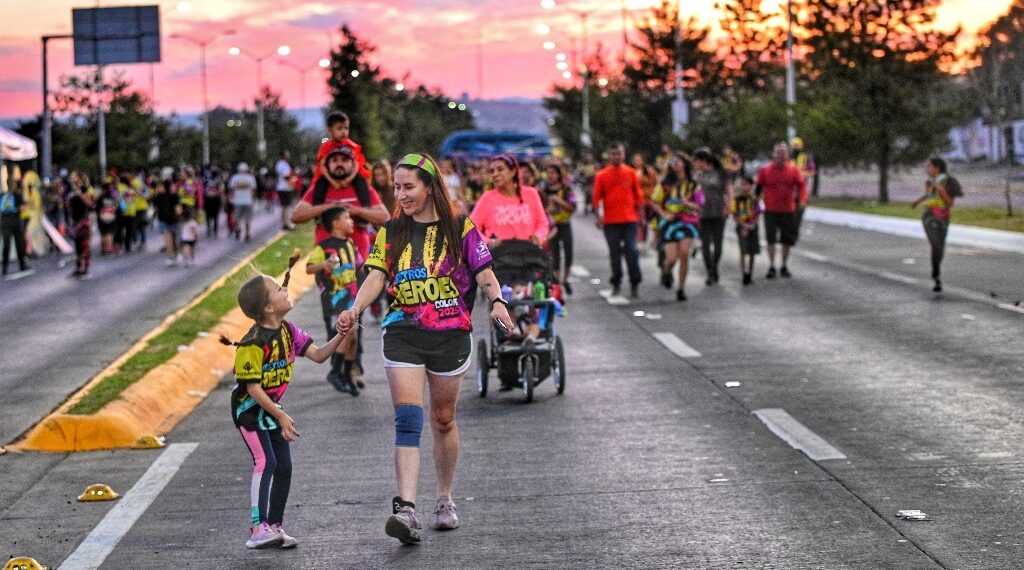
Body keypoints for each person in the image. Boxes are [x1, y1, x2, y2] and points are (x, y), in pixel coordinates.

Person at [337, 153, 514, 545]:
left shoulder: (459, 228)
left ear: (430, 187)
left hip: (451, 336)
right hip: (403, 333)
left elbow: (484, 272)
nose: (400, 195)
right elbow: (376, 276)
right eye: (397, 187)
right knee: (408, 419)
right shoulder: (392, 231)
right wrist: (355, 308)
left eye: (408, 187)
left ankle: (445, 498)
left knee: (443, 419)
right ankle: (406, 509)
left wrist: (497, 301)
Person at [225, 270, 348, 549]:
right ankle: (258, 529)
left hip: (271, 408)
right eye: (278, 289)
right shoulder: (252, 343)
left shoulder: (288, 331)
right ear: (268, 307)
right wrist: (280, 414)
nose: (285, 290)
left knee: (285, 467)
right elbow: (253, 388)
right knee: (265, 461)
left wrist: (341, 335)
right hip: (248, 408)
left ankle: (275, 526)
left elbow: (318, 355)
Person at [306, 206, 362, 395]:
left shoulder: (351, 245)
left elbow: (361, 265)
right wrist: (324, 265)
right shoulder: (324, 247)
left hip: (351, 299)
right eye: (347, 218)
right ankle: (335, 371)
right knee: (347, 333)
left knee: (353, 338)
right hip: (334, 298)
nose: (352, 221)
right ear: (336, 223)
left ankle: (346, 375)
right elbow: (309, 268)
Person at [593, 142, 645, 298]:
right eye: (613, 154)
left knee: (631, 250)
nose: (616, 156)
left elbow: (639, 196)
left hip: (629, 219)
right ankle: (616, 282)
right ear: (609, 156)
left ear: (623, 154)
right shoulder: (602, 175)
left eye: (619, 153)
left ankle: (635, 282)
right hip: (611, 221)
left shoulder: (631, 173)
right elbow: (597, 198)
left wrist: (641, 216)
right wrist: (598, 216)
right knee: (614, 253)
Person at [651, 154, 704, 301]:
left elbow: (699, 206)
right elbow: (654, 202)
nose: (674, 164)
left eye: (677, 161)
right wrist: (664, 214)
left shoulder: (694, 185)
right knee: (672, 258)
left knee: (684, 254)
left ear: (684, 164)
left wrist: (687, 204)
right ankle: (666, 270)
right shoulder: (665, 184)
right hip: (670, 223)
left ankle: (680, 288)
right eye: (672, 162)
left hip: (688, 222)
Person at [469, 154, 549, 249]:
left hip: (529, 254)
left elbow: (543, 223)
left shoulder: (531, 194)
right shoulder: (487, 197)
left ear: (513, 171)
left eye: (500, 169)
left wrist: (538, 237)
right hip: (500, 257)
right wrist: (488, 241)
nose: (495, 174)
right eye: (492, 171)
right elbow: (470, 228)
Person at [755, 142, 806, 279]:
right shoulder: (765, 170)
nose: (780, 156)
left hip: (788, 210)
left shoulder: (793, 170)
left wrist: (802, 200)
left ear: (787, 155)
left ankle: (784, 265)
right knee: (770, 239)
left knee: (786, 240)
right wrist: (755, 205)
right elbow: (758, 188)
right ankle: (771, 266)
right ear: (773, 154)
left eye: (783, 153)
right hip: (770, 210)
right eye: (778, 153)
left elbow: (802, 186)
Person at [912, 157, 956, 293]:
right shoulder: (929, 182)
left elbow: (949, 202)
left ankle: (936, 271)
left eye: (929, 166)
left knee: (940, 247)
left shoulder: (948, 182)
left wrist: (941, 191)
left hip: (943, 216)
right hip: (929, 216)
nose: (927, 169)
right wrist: (917, 201)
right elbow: (928, 195)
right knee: (935, 244)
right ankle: (936, 274)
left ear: (937, 168)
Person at [693, 148, 734, 285]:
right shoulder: (697, 175)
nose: (695, 164)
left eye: (696, 161)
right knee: (705, 244)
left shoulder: (721, 173)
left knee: (718, 244)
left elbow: (729, 191)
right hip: (702, 212)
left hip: (718, 210)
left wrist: (728, 207)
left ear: (703, 161)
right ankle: (710, 272)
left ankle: (715, 265)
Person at [540, 162, 576, 294]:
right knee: (554, 255)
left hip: (565, 224)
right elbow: (540, 208)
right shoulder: (543, 189)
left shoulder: (566, 189)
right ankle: (557, 284)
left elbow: (572, 207)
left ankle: (565, 280)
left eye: (553, 173)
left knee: (569, 254)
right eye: (548, 173)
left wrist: (558, 200)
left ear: (559, 174)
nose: (550, 176)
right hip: (550, 226)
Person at [731, 175, 762, 285]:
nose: (745, 187)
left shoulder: (754, 200)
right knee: (743, 250)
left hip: (753, 226)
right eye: (743, 184)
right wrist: (744, 226)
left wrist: (752, 225)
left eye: (748, 184)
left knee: (752, 251)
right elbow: (734, 216)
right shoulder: (737, 199)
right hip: (741, 226)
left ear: (752, 186)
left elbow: (758, 214)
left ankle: (750, 273)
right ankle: (744, 273)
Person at [66, 172, 94, 278]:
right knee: (78, 246)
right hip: (75, 221)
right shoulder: (72, 191)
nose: (72, 179)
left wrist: (81, 194)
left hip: (84, 221)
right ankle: (78, 267)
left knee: (85, 245)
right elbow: (69, 205)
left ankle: (85, 268)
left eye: (74, 177)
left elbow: (90, 204)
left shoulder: (86, 190)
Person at [1, 183, 31, 278]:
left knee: (15, 244)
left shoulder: (10, 195)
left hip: (10, 221)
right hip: (10, 221)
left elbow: (23, 207)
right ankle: (12, 267)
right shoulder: (9, 195)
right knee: (13, 244)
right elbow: (23, 207)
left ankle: (14, 266)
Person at [790, 137, 815, 241]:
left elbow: (812, 171)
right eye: (794, 145)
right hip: (789, 190)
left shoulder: (806, 158)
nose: (796, 147)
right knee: (790, 213)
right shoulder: (787, 158)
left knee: (799, 212)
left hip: (801, 189)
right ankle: (790, 231)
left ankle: (794, 232)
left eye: (798, 145)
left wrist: (802, 174)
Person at [153, 180, 182, 266]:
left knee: (168, 239)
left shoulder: (159, 196)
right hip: (174, 220)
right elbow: (178, 209)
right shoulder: (174, 196)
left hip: (163, 219)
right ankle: (176, 255)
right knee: (175, 238)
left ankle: (170, 257)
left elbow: (156, 207)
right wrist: (180, 217)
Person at [228, 162, 257, 242]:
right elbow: (253, 190)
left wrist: (231, 197)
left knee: (237, 218)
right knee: (247, 219)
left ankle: (238, 229)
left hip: (238, 201)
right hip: (248, 201)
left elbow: (231, 188)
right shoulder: (250, 178)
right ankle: (247, 234)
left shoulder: (234, 178)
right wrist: (252, 198)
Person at [275, 150, 296, 230]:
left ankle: (285, 223)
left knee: (285, 206)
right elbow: (286, 176)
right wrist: (293, 181)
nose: (289, 156)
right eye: (287, 155)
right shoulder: (282, 164)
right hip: (284, 188)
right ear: (284, 156)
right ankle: (286, 223)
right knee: (286, 206)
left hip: (284, 187)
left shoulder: (282, 164)